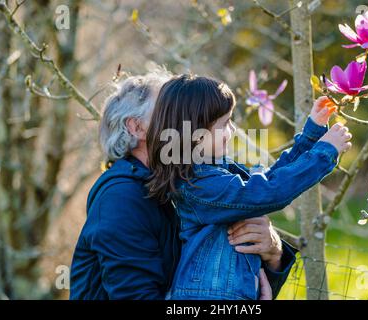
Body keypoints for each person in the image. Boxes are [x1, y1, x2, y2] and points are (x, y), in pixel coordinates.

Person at [69, 71, 297, 299]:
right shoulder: (121, 199)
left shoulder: (189, 183)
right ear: (137, 128)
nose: (188, 121)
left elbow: (216, 282)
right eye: (168, 112)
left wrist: (272, 252)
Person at [145, 74, 352, 300]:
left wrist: (312, 134)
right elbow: (269, 191)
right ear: (195, 133)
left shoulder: (215, 172)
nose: (232, 131)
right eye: (225, 124)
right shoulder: (199, 184)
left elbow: (270, 178)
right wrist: (324, 153)